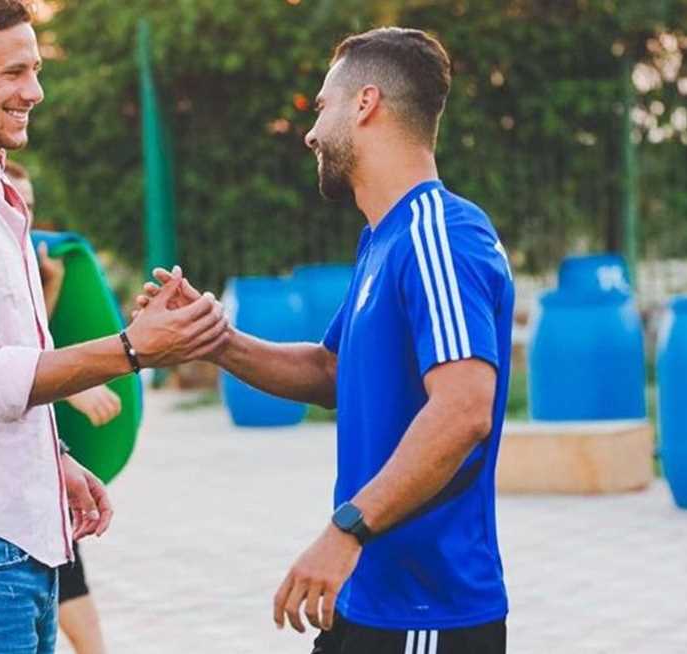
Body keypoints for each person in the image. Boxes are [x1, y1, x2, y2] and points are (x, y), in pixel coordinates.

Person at [0, 1, 228, 652]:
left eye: (34, 70)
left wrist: (51, 457)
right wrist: (130, 349)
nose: (34, 91)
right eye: (12, 72)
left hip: (8, 542)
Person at [138, 27, 513, 654]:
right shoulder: (385, 239)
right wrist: (213, 339)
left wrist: (345, 531)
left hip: (426, 609)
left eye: (321, 107)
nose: (311, 133)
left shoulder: (440, 236)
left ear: (365, 104)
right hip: (365, 597)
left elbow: (463, 410)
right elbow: (330, 371)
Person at [7, 159, 113, 654]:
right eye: (13, 203)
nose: (23, 217)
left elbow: (27, 339)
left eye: (29, 206)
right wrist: (73, 387)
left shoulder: (22, 265)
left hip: (33, 464)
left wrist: (48, 287)